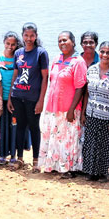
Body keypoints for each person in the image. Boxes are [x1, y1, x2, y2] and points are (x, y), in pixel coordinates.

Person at [38, 31, 88, 178]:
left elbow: (80, 87)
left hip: (68, 108)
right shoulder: (56, 59)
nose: (62, 43)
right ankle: (54, 165)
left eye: (65, 40)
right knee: (54, 136)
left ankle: (69, 168)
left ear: (73, 42)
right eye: (59, 41)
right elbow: (51, 81)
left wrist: (72, 109)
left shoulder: (78, 62)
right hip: (53, 107)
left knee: (68, 139)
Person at [81, 41, 109, 182]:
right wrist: (83, 113)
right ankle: (91, 172)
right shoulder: (91, 70)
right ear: (99, 52)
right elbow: (86, 93)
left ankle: (103, 173)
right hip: (91, 113)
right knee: (91, 143)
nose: (105, 55)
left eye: (108, 52)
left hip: (107, 115)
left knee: (105, 145)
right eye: (102, 52)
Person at [8, 22, 48, 172]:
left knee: (34, 128)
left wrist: (41, 100)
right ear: (22, 36)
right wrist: (11, 97)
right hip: (18, 96)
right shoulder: (18, 53)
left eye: (32, 35)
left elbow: (45, 77)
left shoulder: (41, 53)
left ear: (36, 36)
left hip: (33, 98)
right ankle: (19, 159)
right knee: (19, 127)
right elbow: (15, 74)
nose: (29, 38)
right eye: (26, 35)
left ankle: (36, 160)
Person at [0, 32, 21, 166]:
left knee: (14, 126)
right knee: (2, 127)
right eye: (8, 44)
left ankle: (13, 155)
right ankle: (2, 155)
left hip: (14, 99)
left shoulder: (18, 58)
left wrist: (11, 97)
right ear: (4, 43)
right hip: (0, 98)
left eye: (13, 44)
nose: (10, 47)